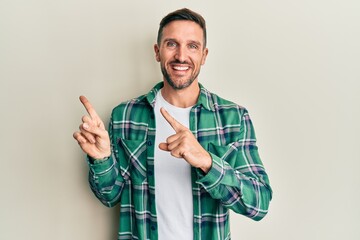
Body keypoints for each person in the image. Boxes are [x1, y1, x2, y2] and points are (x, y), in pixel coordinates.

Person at [73, 8, 272, 240]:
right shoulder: (125, 115)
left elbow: (259, 204)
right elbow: (109, 196)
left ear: (204, 55)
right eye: (171, 44)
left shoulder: (233, 119)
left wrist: (207, 162)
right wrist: (101, 159)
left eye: (192, 46)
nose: (181, 56)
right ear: (157, 52)